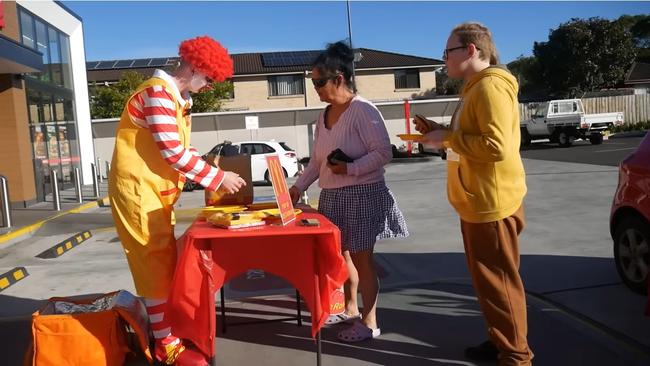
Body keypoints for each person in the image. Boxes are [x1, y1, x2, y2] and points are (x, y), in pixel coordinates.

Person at [108, 36, 245, 365]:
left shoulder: (175, 97)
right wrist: (217, 178)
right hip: (138, 193)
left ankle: (168, 331)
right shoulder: (157, 93)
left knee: (164, 263)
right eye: (209, 79)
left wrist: (208, 173)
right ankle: (165, 346)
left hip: (153, 194)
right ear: (196, 66)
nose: (210, 86)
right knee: (153, 266)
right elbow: (172, 151)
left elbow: (179, 149)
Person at [415, 23, 533, 365]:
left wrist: (448, 139)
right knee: (490, 285)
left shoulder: (490, 88)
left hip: (491, 205)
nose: (444, 60)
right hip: (478, 201)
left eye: (448, 52)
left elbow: (497, 146)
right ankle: (501, 342)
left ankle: (516, 357)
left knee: (500, 287)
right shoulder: (475, 88)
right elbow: (475, 137)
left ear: (470, 51)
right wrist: (441, 132)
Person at [289, 41, 408, 343]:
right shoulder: (324, 115)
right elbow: (318, 161)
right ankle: (351, 309)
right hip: (332, 196)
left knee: (363, 258)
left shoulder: (363, 110)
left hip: (363, 194)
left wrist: (350, 168)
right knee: (342, 257)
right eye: (312, 81)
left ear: (338, 78)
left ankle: (370, 323)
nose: (315, 88)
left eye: (319, 82)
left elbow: (383, 153)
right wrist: (298, 187)